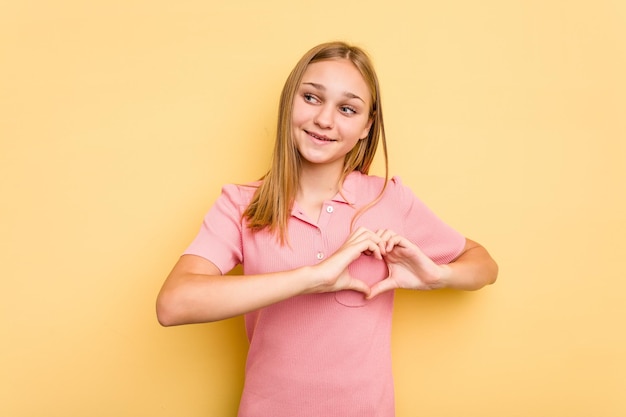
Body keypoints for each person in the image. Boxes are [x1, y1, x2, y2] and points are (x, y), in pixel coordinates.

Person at [156, 41, 498, 417]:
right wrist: (311, 277)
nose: (324, 120)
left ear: (366, 126)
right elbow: (174, 304)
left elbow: (483, 264)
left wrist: (439, 275)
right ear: (290, 102)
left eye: (347, 109)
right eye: (312, 98)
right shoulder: (241, 204)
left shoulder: (388, 198)